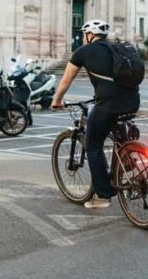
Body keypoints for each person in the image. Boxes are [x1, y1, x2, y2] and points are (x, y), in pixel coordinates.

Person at [52, 20, 140, 209]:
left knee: (93, 145)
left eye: (84, 35)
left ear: (88, 35)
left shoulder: (83, 52)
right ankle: (127, 158)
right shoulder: (117, 47)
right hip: (132, 101)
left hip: (108, 103)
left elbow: (67, 79)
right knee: (117, 130)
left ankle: (103, 196)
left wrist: (57, 100)